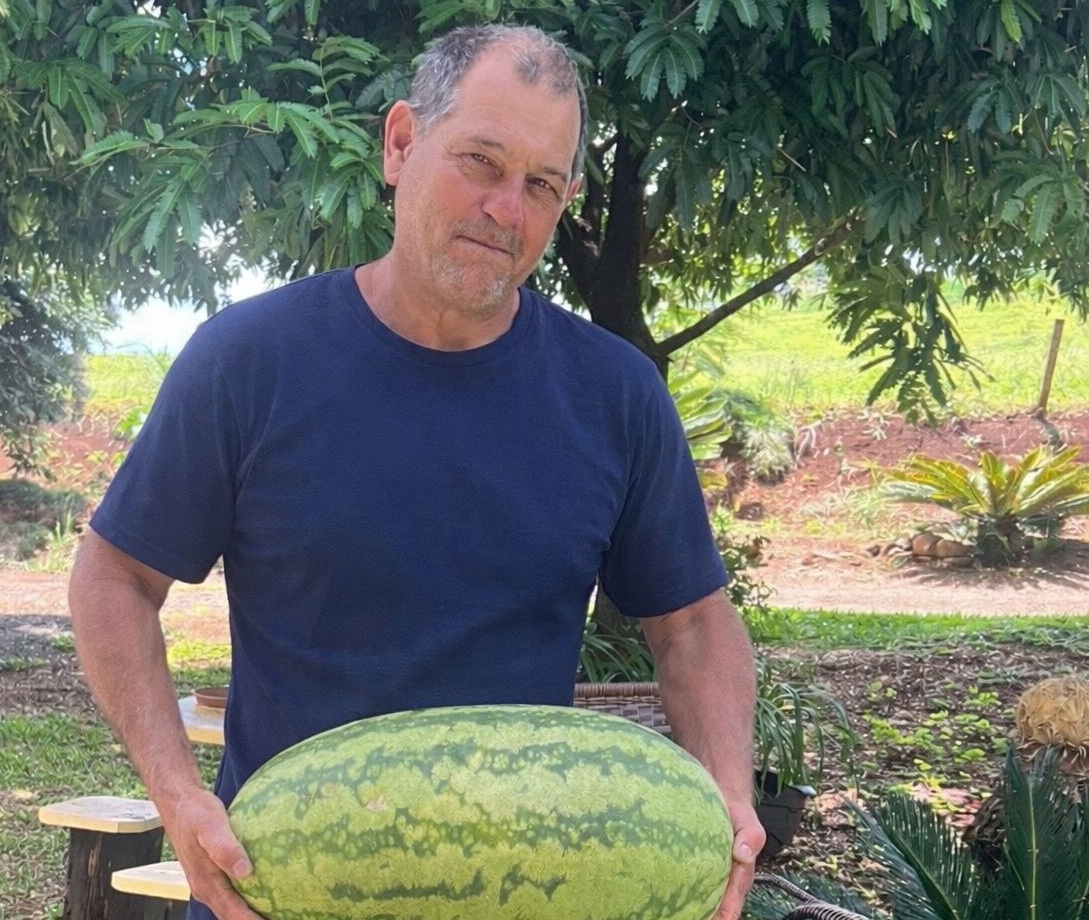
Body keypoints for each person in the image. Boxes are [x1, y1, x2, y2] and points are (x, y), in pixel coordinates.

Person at [69, 22, 765, 920]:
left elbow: (695, 626)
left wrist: (729, 796)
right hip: (281, 895)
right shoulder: (250, 361)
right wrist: (175, 790)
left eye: (541, 184)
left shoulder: (614, 394)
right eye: (480, 161)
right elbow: (113, 576)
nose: (506, 209)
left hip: (529, 899)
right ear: (401, 143)